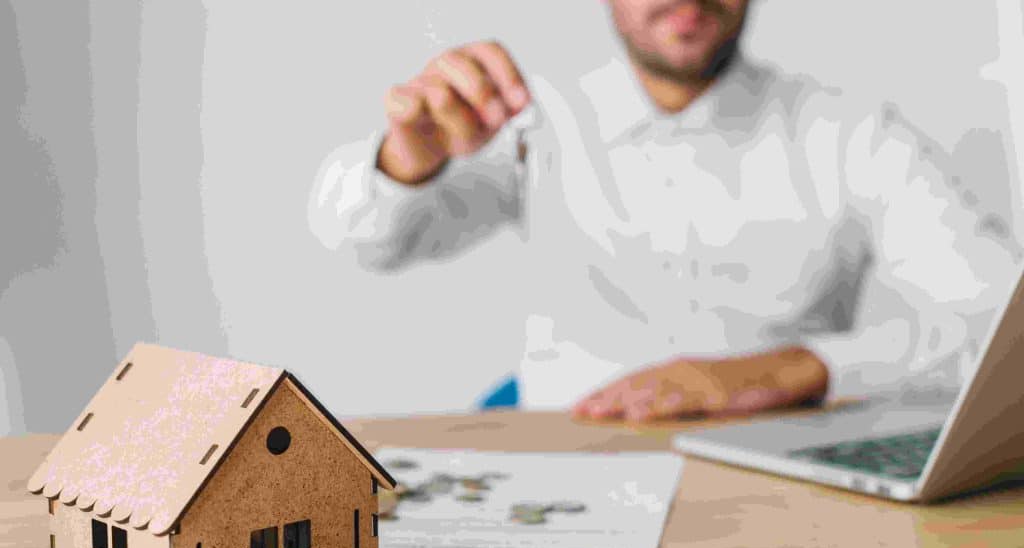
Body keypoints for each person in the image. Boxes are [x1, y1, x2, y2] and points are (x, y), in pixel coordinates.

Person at [309, 0, 1018, 423]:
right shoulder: (534, 118)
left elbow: (1001, 325)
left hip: (785, 470)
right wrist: (407, 158)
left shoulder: (850, 132)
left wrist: (802, 367)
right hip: (566, 450)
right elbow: (361, 240)